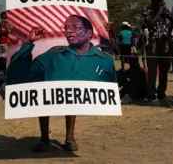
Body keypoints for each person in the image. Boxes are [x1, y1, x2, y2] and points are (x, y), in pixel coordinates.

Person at [7, 15, 116, 152]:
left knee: (71, 99)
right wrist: (28, 43)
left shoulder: (104, 60)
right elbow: (18, 71)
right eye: (66, 27)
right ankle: (44, 139)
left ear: (89, 33)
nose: (69, 31)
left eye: (75, 27)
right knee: (43, 96)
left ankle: (70, 138)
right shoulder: (53, 55)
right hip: (48, 96)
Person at [142, 0, 172, 105]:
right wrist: (159, 12)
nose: (158, 1)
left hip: (164, 42)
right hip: (153, 41)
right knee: (152, 70)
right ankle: (151, 95)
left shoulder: (166, 9)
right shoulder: (147, 10)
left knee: (164, 70)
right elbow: (150, 24)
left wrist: (169, 35)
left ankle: (161, 94)